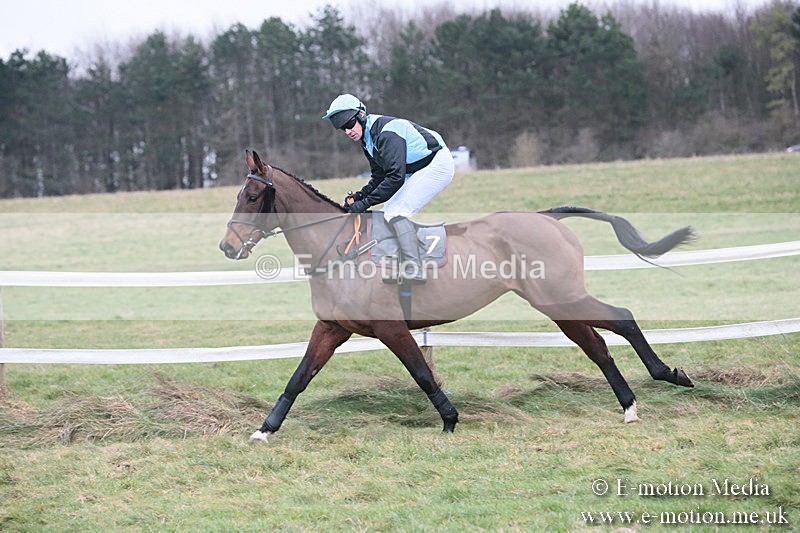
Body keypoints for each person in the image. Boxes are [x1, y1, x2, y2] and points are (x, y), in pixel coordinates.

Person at [323, 94, 454, 283]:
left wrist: (365, 203)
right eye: (343, 128)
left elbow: (395, 178)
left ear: (361, 115)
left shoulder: (386, 134)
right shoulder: (367, 139)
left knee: (396, 212)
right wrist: (360, 196)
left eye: (350, 124)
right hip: (414, 169)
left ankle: (414, 268)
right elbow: (379, 176)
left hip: (437, 164)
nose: (348, 131)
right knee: (388, 212)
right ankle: (400, 263)